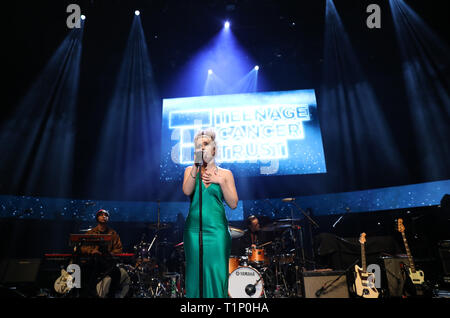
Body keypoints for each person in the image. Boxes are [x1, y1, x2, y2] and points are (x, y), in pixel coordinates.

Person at [182, 129, 238, 298]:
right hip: (193, 231)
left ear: (214, 149)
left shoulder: (225, 174)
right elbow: (187, 190)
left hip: (217, 231)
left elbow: (233, 203)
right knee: (194, 272)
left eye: (205, 145)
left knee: (217, 271)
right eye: (198, 146)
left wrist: (220, 182)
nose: (202, 148)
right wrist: (195, 165)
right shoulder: (190, 171)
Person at [80, 209, 129, 297]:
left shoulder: (113, 233)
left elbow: (119, 249)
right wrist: (92, 251)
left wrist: (110, 254)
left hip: (106, 261)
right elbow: (83, 248)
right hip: (93, 260)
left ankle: (111, 295)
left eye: (106, 215)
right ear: (97, 217)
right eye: (101, 215)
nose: (104, 216)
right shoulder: (90, 233)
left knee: (117, 272)